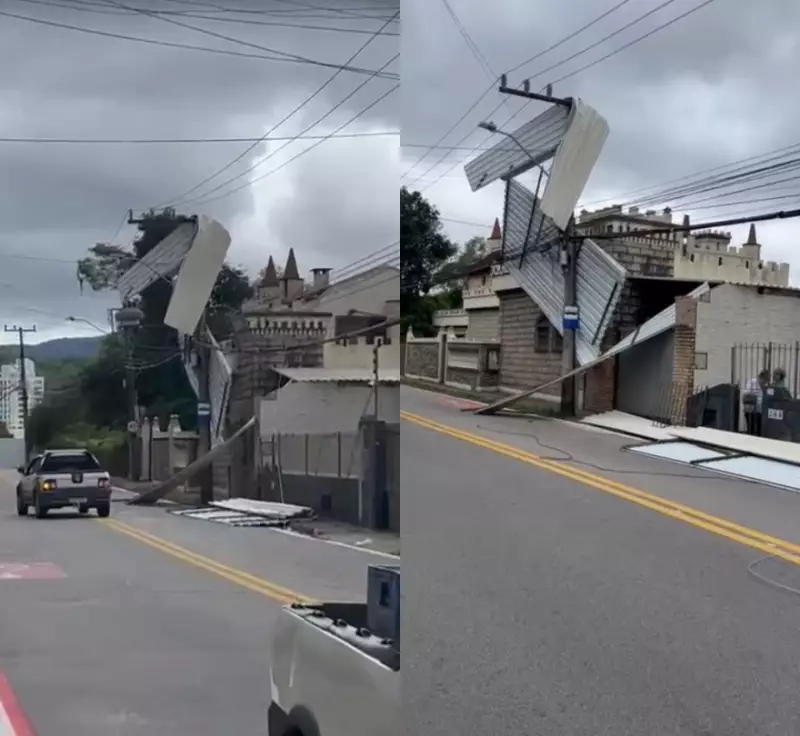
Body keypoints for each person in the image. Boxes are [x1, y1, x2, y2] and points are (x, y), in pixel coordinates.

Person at [742, 369, 769, 435]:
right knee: (751, 428)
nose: (765, 383)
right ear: (761, 377)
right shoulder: (752, 382)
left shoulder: (765, 386)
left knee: (760, 429)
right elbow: (746, 395)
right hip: (750, 410)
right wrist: (755, 399)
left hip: (760, 411)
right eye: (765, 380)